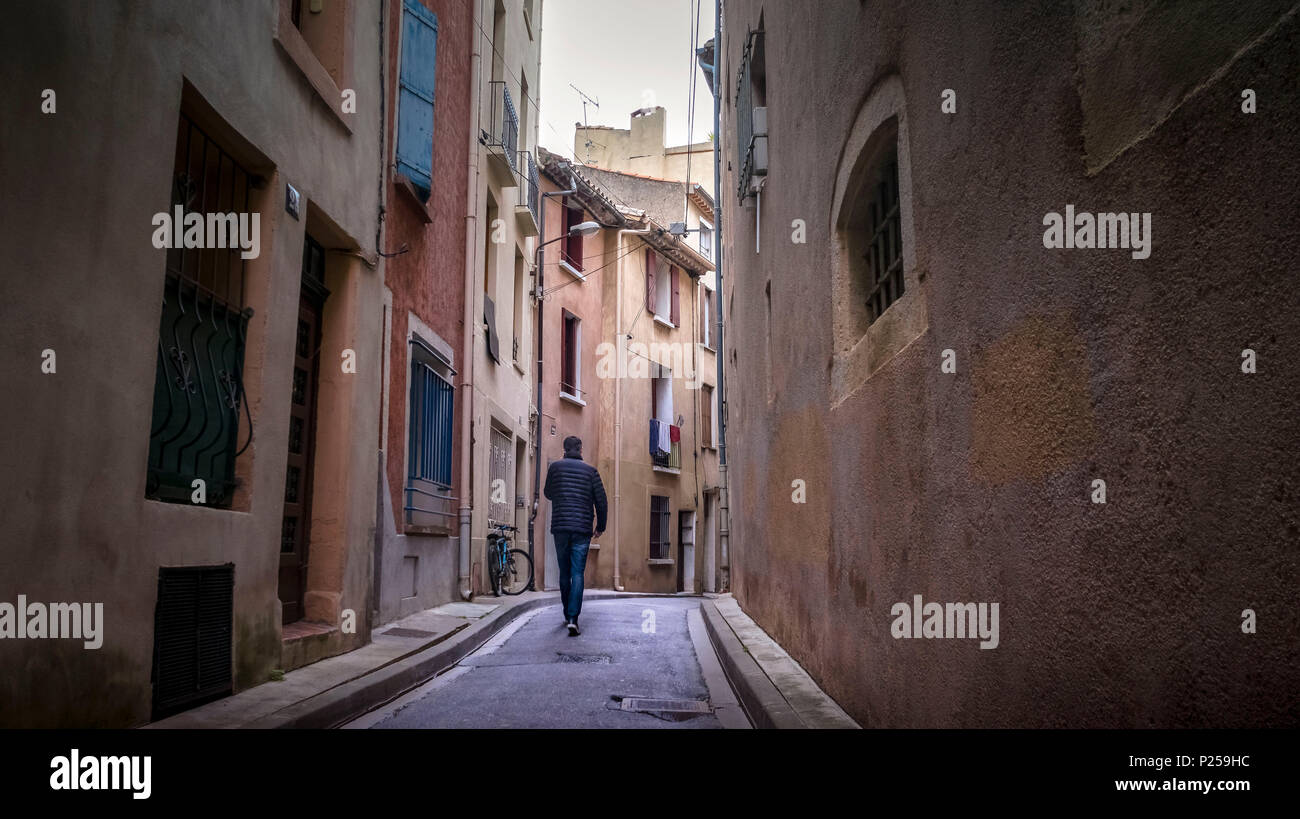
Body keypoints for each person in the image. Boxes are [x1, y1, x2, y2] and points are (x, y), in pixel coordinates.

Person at [543, 435, 607, 635]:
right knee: (578, 573)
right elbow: (602, 501)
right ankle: (573, 618)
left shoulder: (555, 468)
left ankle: (565, 612)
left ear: (564, 449)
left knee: (564, 572)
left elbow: (548, 493)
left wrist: (562, 495)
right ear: (580, 449)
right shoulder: (591, 472)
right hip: (581, 529)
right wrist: (600, 527)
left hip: (561, 527)